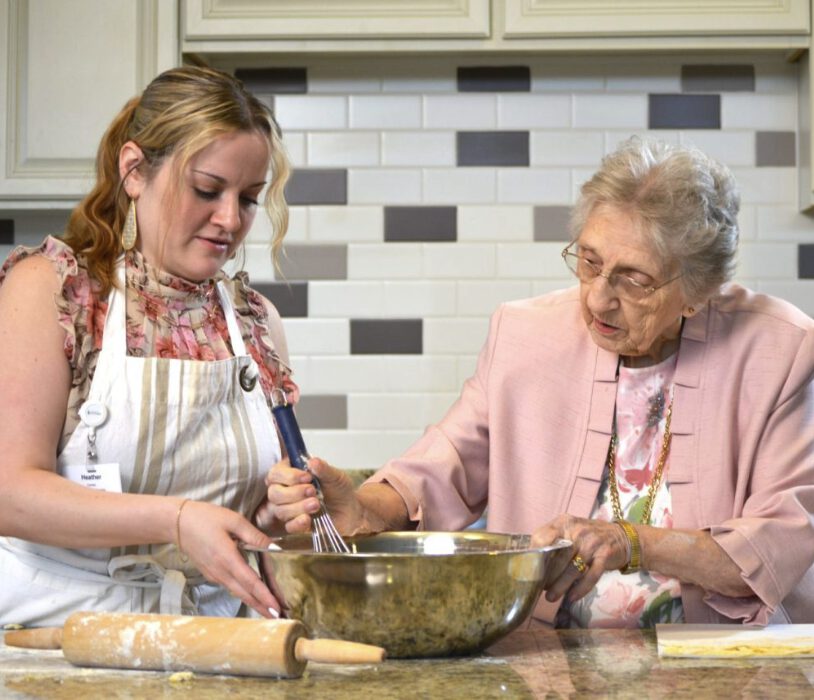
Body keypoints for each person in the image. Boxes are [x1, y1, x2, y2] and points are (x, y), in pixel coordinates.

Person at [264, 137, 814, 628]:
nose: (599, 297)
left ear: (699, 289)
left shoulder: (780, 348)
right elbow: (445, 462)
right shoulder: (524, 332)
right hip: (545, 659)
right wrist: (364, 509)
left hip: (717, 666)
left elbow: (778, 543)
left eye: (635, 280)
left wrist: (633, 542)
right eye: (590, 262)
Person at [0, 65, 299, 626]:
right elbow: (9, 492)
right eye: (207, 190)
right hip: (57, 634)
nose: (230, 220)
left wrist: (277, 511)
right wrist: (178, 519)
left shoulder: (256, 321)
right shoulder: (55, 293)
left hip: (212, 638)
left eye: (250, 198)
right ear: (134, 170)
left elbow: (258, 511)